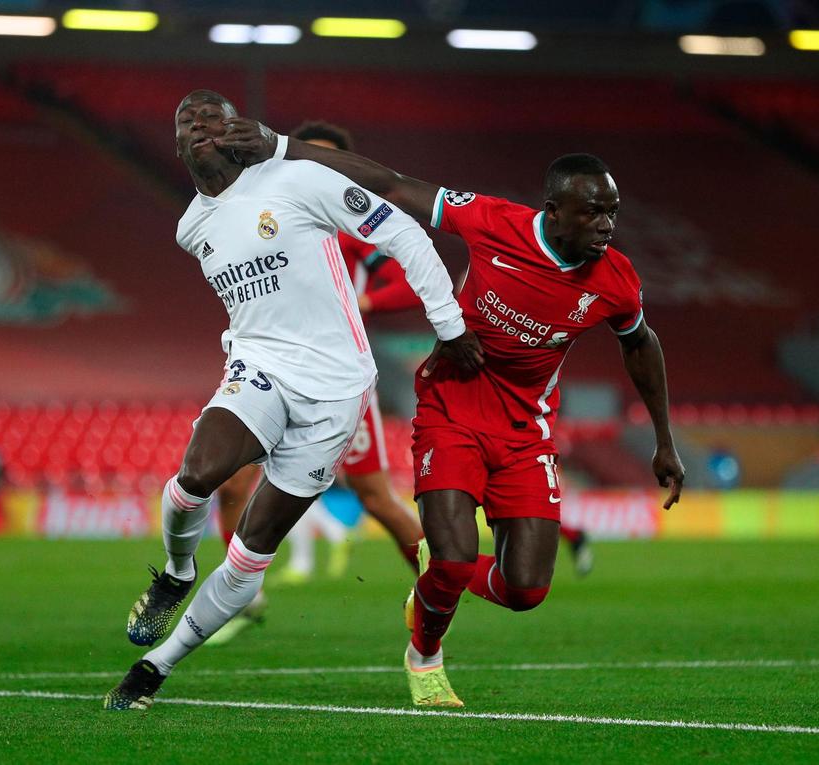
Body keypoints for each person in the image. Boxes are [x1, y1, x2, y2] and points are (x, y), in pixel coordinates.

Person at [216, 121, 685, 708]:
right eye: (593, 213)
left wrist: (664, 441)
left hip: (526, 430)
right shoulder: (495, 221)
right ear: (554, 210)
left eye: (612, 213)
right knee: (456, 555)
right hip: (451, 410)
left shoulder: (615, 278)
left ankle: (435, 585)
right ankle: (425, 653)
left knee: (526, 591)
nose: (606, 226)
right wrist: (279, 146)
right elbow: (393, 184)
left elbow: (639, 343)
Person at [101, 90, 482, 710]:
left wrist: (449, 324)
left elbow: (406, 231)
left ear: (235, 132)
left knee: (253, 554)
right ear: (175, 146)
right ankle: (175, 573)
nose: (197, 125)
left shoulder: (299, 178)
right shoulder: (190, 227)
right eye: (184, 121)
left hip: (336, 389)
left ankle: (155, 668)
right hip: (259, 366)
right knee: (196, 476)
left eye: (211, 117)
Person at [205, 121, 427, 647]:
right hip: (271, 371)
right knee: (231, 483)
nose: (315, 168)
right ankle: (242, 597)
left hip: (337, 379)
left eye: (327, 160)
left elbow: (406, 281)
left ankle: (436, 588)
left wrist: (361, 302)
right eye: (306, 158)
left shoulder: (353, 225)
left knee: (376, 497)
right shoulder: (276, 216)